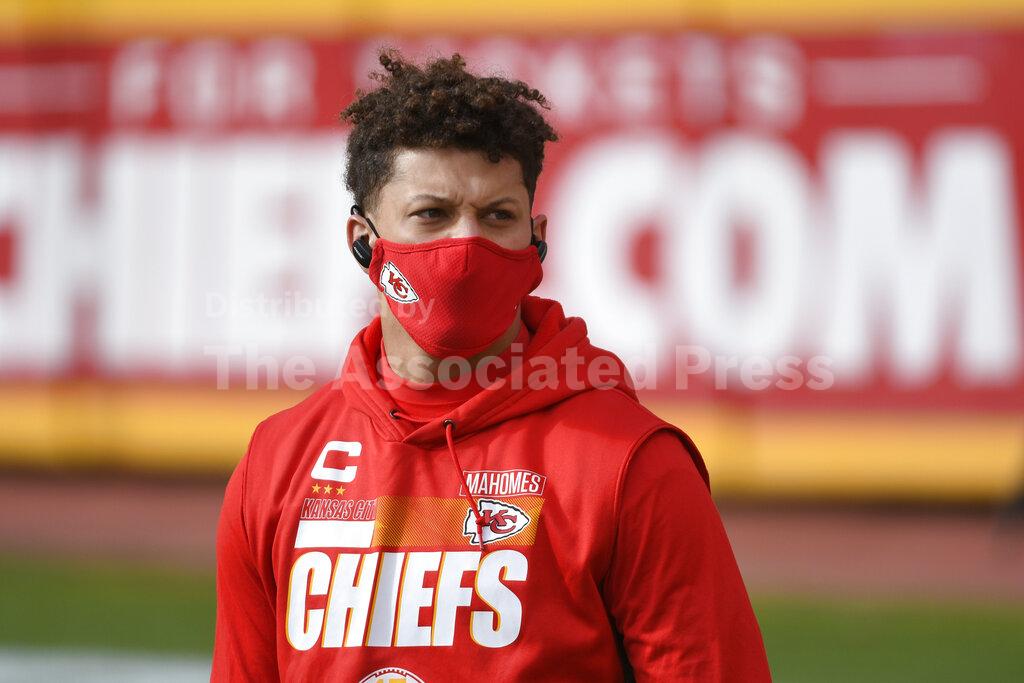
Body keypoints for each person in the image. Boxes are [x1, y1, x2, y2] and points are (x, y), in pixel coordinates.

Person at [212, 47, 771, 682]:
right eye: (432, 214)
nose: (466, 244)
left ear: (536, 238)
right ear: (363, 242)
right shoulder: (276, 462)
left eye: (497, 216)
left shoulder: (629, 464)